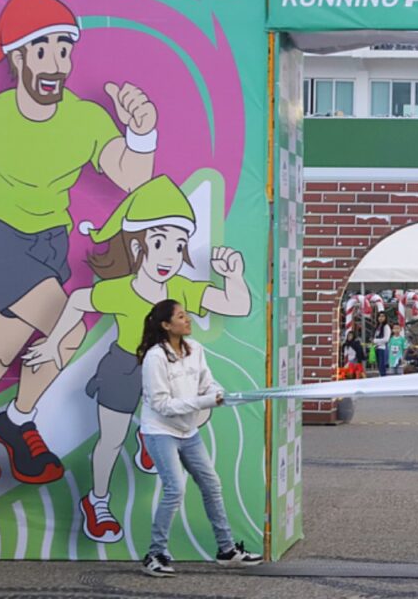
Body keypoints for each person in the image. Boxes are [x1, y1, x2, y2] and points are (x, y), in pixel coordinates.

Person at [21, 177, 250, 544]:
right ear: (138, 244)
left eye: (178, 246)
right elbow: (79, 299)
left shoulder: (182, 290)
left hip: (168, 372)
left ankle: (148, 432)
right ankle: (97, 501)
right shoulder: (122, 290)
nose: (168, 256)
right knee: (110, 440)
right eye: (159, 242)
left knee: (196, 411)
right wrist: (52, 344)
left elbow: (238, 304)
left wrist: (234, 277)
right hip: (124, 367)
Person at [0, 0, 158, 486]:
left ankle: (10, 422)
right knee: (70, 326)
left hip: (50, 243)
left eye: (65, 49)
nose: (57, 62)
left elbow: (132, 178)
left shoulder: (85, 118)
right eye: (43, 49)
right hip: (1, 237)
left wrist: (141, 133)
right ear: (18, 57)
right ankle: (17, 421)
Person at [135, 299, 261, 577]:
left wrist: (216, 393)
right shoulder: (155, 358)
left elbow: (208, 383)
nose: (188, 319)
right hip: (160, 431)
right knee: (175, 489)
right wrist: (204, 401)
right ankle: (155, 554)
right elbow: (162, 405)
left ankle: (226, 550)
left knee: (211, 484)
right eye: (181, 316)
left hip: (188, 432)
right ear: (166, 325)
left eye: (186, 315)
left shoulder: (196, 350)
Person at [372, 311, 392, 377]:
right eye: (379, 316)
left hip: (383, 348)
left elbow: (386, 339)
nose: (381, 318)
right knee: (379, 366)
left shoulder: (386, 326)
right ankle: (381, 377)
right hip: (377, 348)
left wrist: (375, 340)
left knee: (382, 365)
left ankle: (383, 379)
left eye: (383, 316)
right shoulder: (378, 326)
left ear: (385, 318)